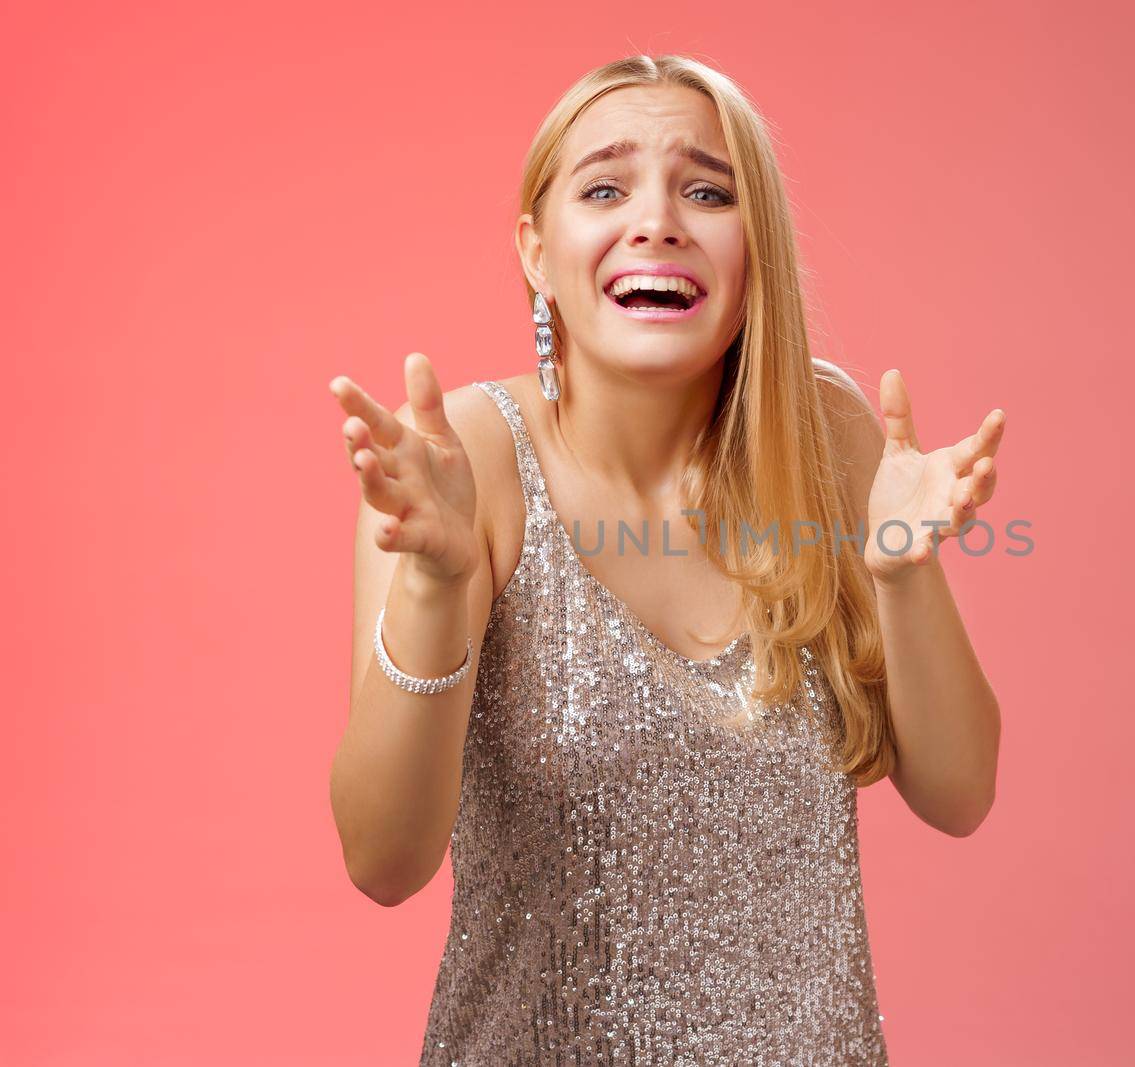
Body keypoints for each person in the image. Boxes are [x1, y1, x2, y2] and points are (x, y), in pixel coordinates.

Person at [327, 53, 1006, 1065]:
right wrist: (435, 579)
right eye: (604, 187)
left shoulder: (829, 436)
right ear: (535, 247)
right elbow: (383, 859)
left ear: (757, 243)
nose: (657, 220)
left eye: (707, 190)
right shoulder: (466, 461)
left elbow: (959, 792)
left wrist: (902, 574)